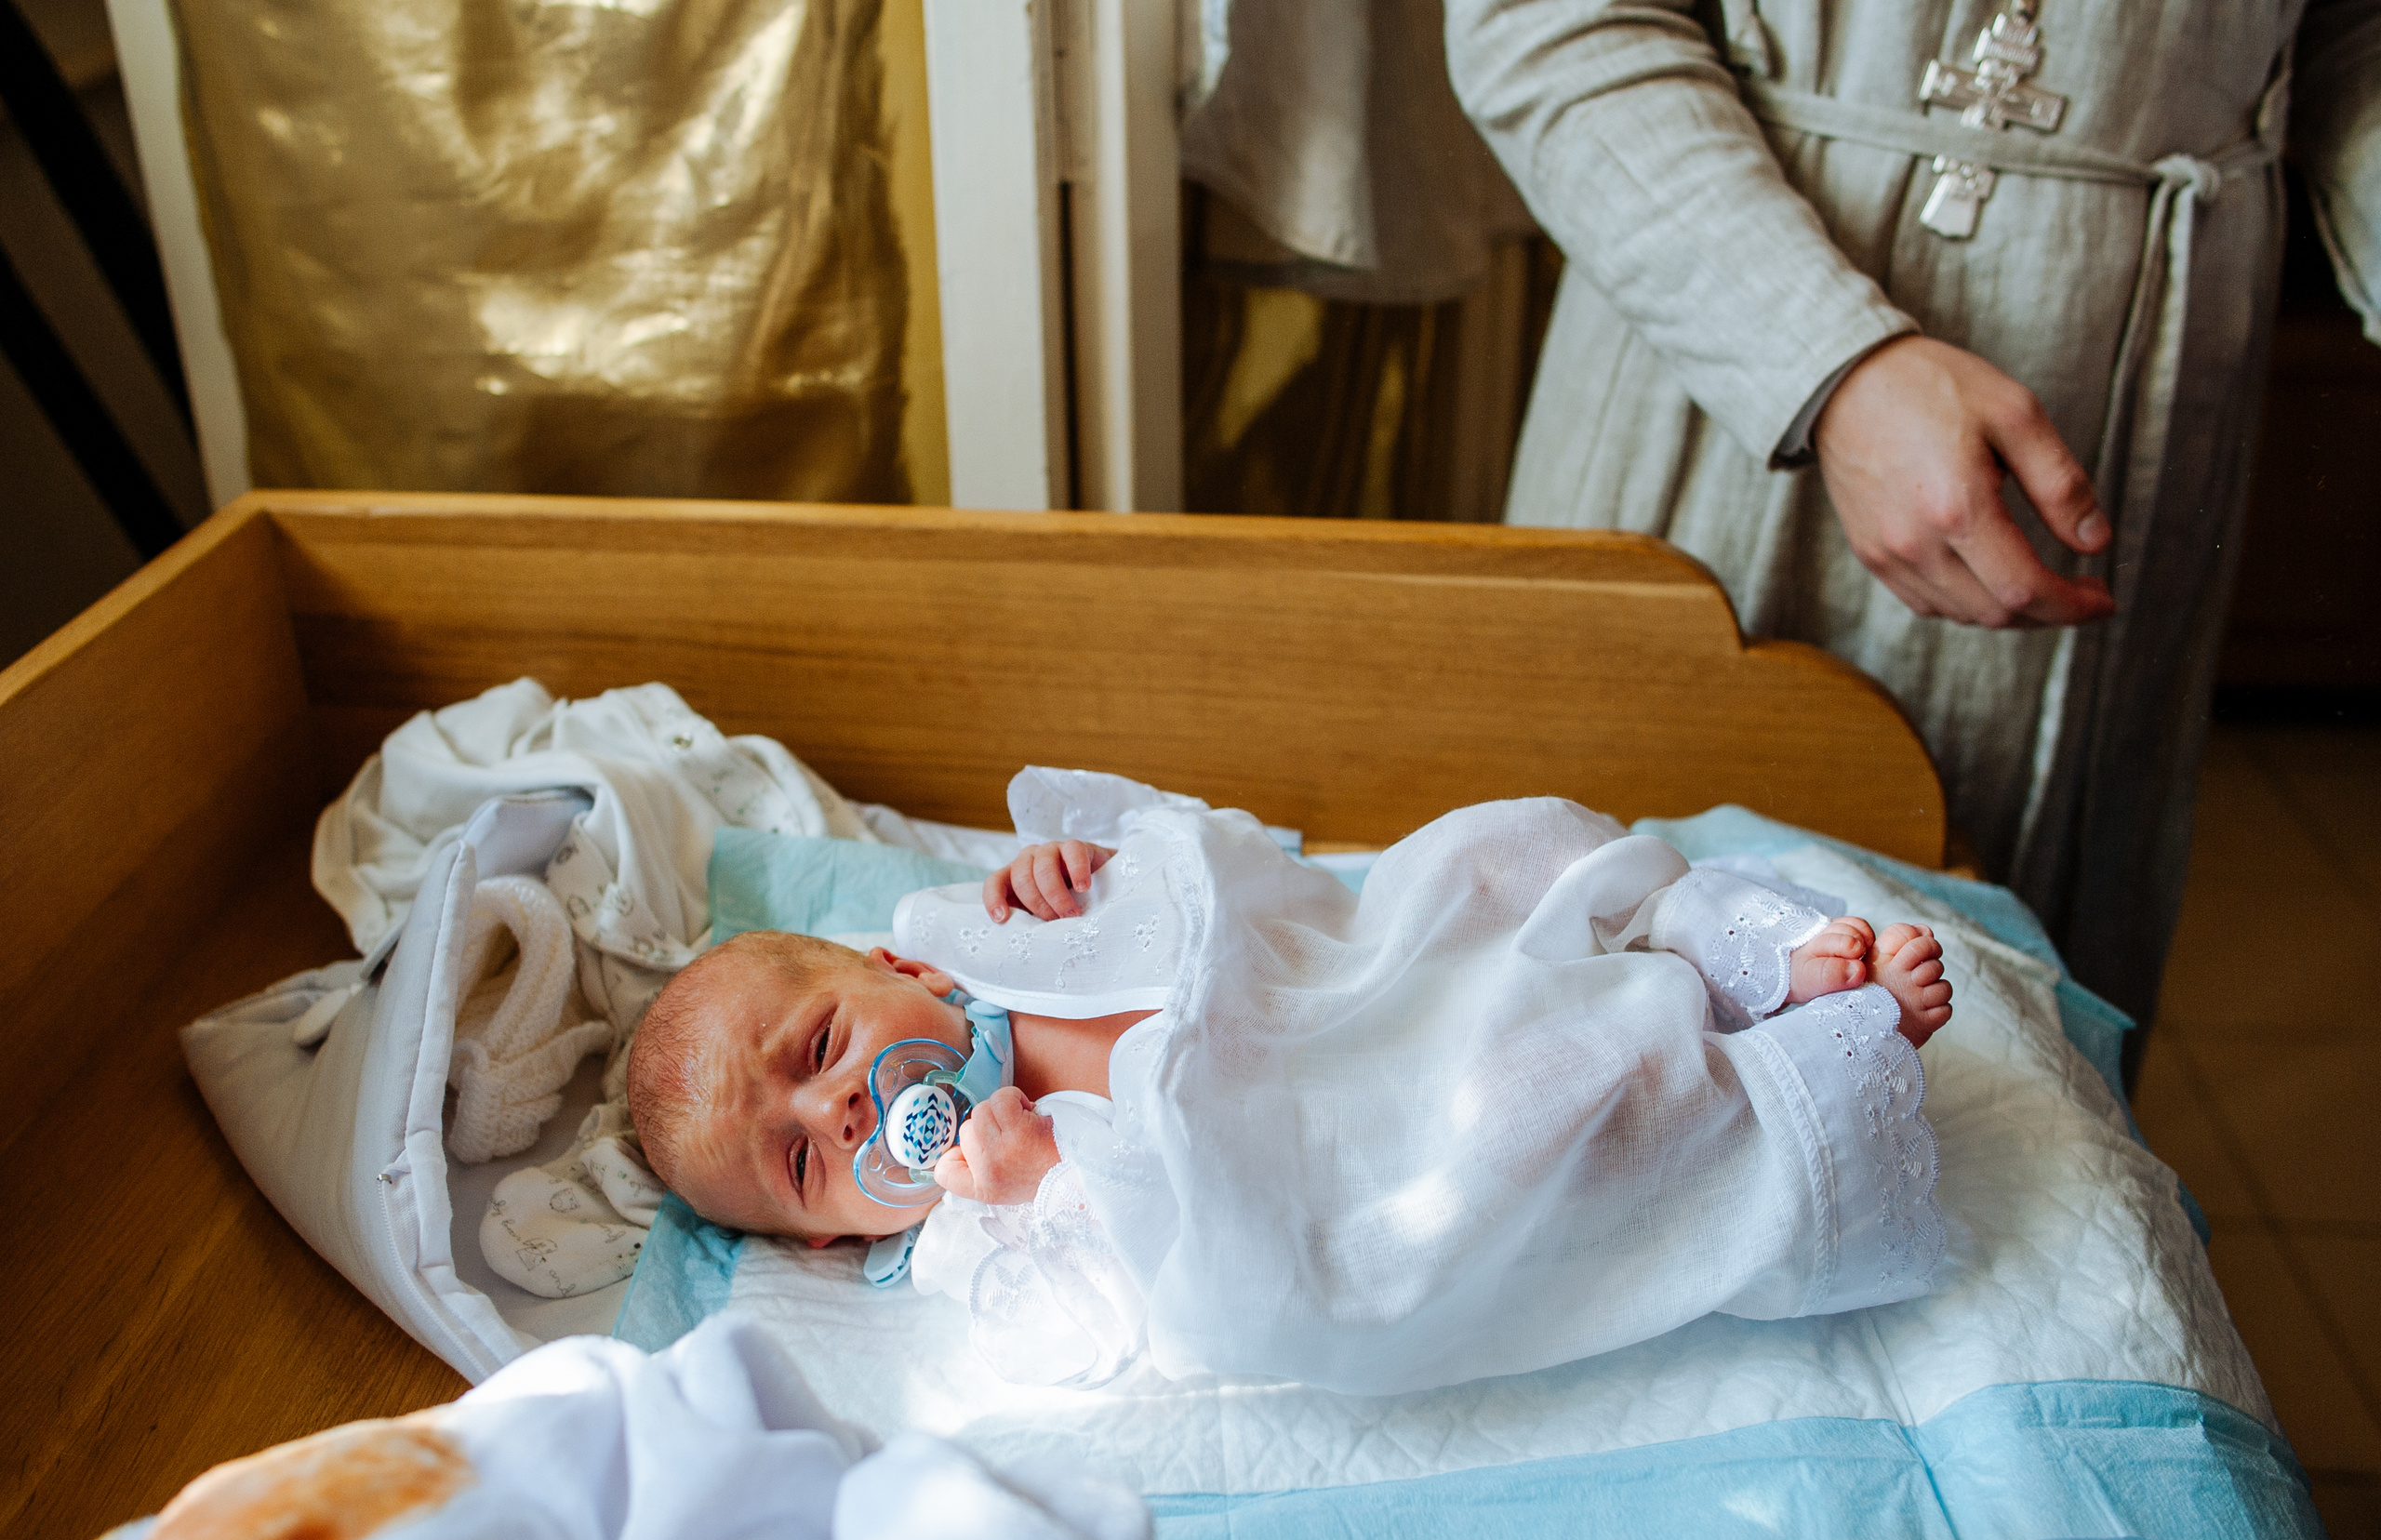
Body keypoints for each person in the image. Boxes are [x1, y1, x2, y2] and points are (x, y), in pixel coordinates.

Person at [1441, 0, 2381, 1034]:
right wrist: (1827, 362)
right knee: (1592, 1002)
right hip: (1721, 343)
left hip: (2136, 390)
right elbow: (1547, 19)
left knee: (2013, 1077)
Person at [628, 768, 1952, 1394]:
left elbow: (1227, 873)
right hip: (1337, 1134)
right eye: (804, 1159)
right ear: (821, 1239)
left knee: (1486, 850)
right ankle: (1777, 1077)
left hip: (1346, 984)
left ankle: (1704, 931)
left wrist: (1075, 877)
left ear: (883, 961)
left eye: (814, 1051)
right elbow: (1107, 1329)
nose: (842, 1109)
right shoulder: (969, 1231)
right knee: (1526, 1116)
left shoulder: (979, 935)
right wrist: (1042, 1188)